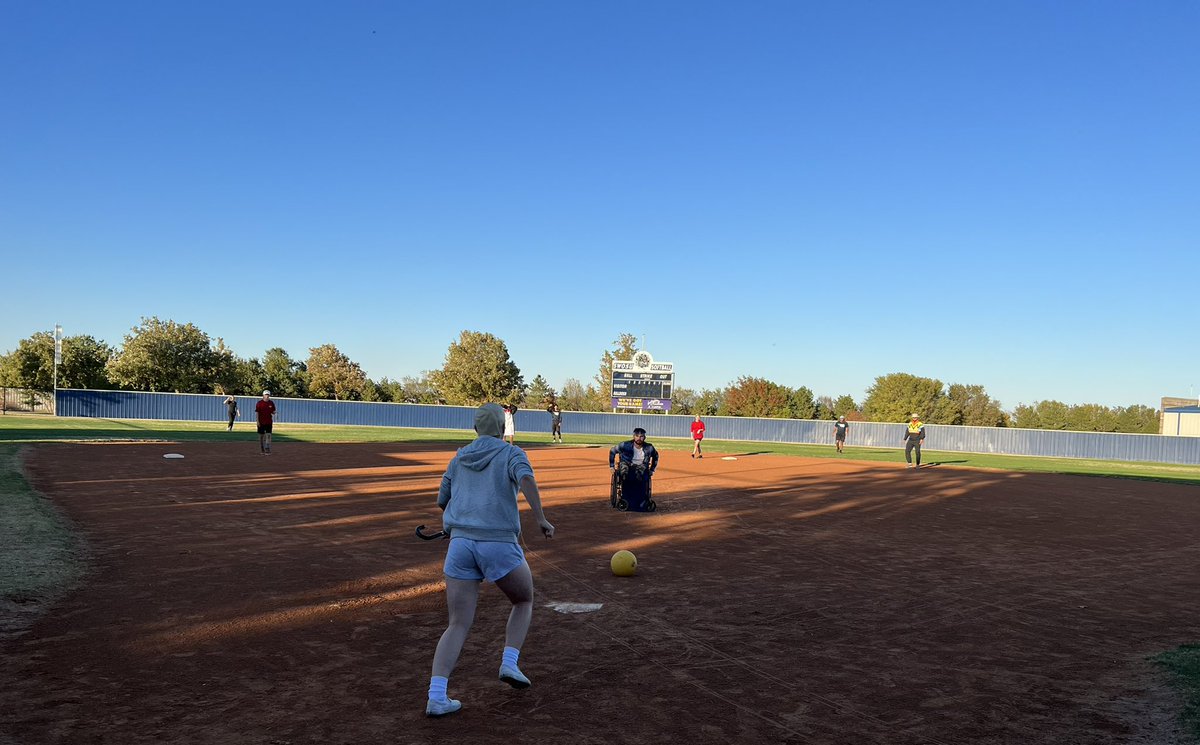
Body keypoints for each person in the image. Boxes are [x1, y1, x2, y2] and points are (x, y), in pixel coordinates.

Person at [425, 403, 555, 718]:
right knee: (523, 600)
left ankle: (436, 696)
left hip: (460, 546)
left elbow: (443, 499)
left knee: (457, 623)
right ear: (501, 428)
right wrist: (540, 518)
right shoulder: (511, 453)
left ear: (475, 428)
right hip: (498, 544)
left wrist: (454, 524)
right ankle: (509, 663)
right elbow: (526, 480)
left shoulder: (458, 458)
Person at [609, 427, 660, 511]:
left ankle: (641, 501)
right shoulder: (624, 445)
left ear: (644, 437)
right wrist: (611, 466)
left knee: (641, 476)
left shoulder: (649, 447)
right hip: (627, 465)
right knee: (625, 474)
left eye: (641, 436)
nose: (639, 438)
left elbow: (656, 456)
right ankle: (626, 498)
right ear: (633, 436)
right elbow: (612, 451)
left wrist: (652, 469)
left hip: (641, 466)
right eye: (637, 436)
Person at [254, 391, 276, 455]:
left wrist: (274, 413)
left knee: (268, 435)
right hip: (261, 422)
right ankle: (262, 448)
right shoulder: (259, 403)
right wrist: (257, 421)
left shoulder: (271, 403)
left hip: (269, 422)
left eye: (268, 395)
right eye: (266, 395)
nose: (267, 396)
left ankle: (267, 448)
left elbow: (273, 411)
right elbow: (257, 412)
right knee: (261, 436)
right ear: (263, 395)